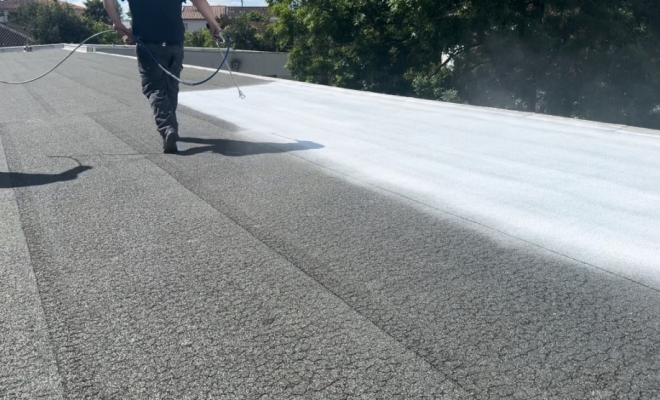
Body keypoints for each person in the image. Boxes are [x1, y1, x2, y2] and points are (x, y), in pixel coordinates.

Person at [103, 0, 222, 153]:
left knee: (153, 88)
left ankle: (167, 128)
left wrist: (117, 22)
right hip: (175, 41)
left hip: (148, 42)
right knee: (171, 86)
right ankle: (171, 127)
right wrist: (213, 23)